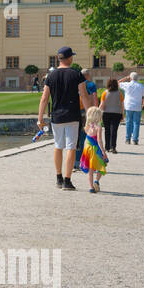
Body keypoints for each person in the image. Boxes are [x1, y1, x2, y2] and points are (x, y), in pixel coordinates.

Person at [37, 46, 94, 191]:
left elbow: (44, 98)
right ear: (69, 58)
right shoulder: (76, 74)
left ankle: (58, 177)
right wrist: (90, 115)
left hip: (57, 115)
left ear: (59, 58)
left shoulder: (51, 75)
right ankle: (67, 181)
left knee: (58, 145)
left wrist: (40, 118)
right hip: (72, 115)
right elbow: (84, 95)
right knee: (71, 147)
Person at [79, 105, 109, 193]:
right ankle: (97, 181)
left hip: (88, 149)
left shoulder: (87, 126)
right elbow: (99, 141)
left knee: (90, 169)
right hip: (96, 149)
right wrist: (103, 152)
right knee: (101, 166)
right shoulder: (98, 127)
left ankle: (91, 187)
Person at [118, 72, 144, 145]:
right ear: (137, 78)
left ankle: (128, 139)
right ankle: (135, 139)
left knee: (128, 122)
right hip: (137, 106)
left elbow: (118, 82)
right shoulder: (141, 86)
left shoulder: (127, 84)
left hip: (129, 106)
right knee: (136, 123)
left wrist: (126, 77)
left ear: (130, 78)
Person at [99, 79, 124, 153]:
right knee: (114, 131)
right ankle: (113, 147)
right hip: (117, 113)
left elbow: (102, 104)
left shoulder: (105, 93)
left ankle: (107, 147)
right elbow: (122, 105)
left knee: (107, 130)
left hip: (106, 113)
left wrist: (98, 112)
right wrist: (122, 114)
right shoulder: (120, 93)